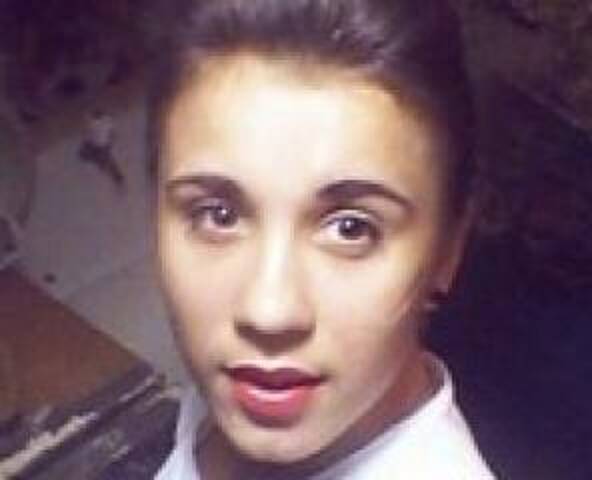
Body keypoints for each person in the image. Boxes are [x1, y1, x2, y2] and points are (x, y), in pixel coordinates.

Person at [150, 0, 496, 478]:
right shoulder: (243, 390)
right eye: (219, 216)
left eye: (351, 228)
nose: (268, 312)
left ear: (447, 251)